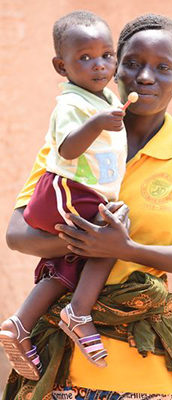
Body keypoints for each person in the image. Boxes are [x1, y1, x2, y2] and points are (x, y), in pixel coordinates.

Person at [3, 13, 172, 400]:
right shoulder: (72, 140)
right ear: (113, 68)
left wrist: (125, 250)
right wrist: (86, 241)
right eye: (132, 63)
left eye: (163, 68)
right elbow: (18, 234)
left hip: (146, 370)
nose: (145, 77)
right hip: (59, 369)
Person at [0, 10, 128, 377]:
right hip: (66, 191)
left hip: (82, 192)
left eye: (106, 55)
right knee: (112, 234)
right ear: (61, 66)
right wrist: (98, 123)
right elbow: (69, 149)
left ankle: (20, 325)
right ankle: (78, 313)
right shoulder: (71, 104)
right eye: (85, 58)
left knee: (73, 260)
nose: (99, 65)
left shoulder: (104, 96)